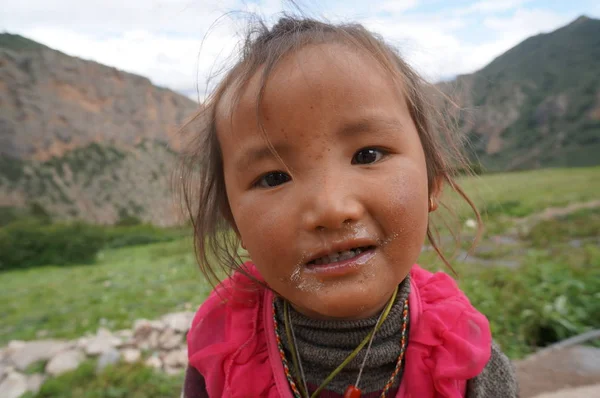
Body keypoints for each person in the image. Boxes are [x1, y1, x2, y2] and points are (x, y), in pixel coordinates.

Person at [178, 15, 518, 398]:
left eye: (368, 155)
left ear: (432, 181)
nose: (331, 209)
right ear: (235, 222)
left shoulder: (462, 354)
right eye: (274, 178)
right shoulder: (222, 349)